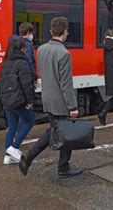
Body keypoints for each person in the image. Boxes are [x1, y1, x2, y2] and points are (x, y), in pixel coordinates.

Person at [19, 17, 82, 179]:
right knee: (65, 133)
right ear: (66, 32)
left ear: (51, 31)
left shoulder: (41, 49)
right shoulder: (64, 53)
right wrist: (73, 107)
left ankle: (40, 159)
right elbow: (66, 84)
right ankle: (61, 167)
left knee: (55, 130)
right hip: (60, 102)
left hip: (47, 98)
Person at [0, 37, 35, 164]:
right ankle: (14, 147)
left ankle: (8, 157)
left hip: (7, 100)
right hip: (19, 100)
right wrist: (29, 101)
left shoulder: (6, 62)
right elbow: (26, 85)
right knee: (29, 121)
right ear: (22, 49)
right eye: (25, 47)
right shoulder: (23, 63)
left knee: (12, 126)